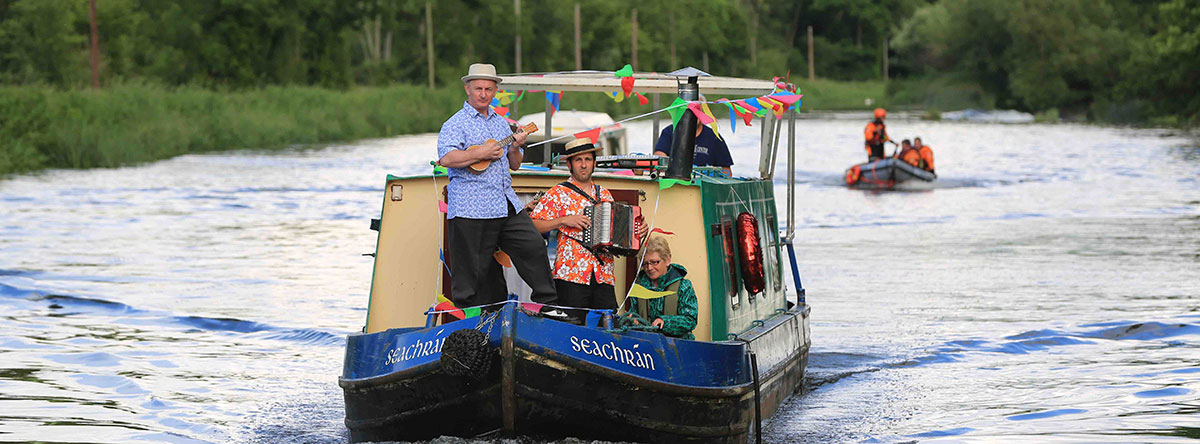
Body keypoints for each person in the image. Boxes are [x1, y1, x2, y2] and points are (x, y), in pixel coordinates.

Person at [436, 63, 566, 319]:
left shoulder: (502, 124)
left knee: (532, 246)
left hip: (504, 201)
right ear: (467, 89)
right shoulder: (454, 123)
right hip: (471, 205)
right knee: (473, 268)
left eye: (488, 89)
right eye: (478, 89)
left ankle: (548, 304)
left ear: (495, 90)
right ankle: (469, 320)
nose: (483, 94)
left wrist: (517, 146)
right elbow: (446, 158)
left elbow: (514, 164)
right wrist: (479, 153)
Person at [531, 138, 648, 321]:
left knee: (606, 328)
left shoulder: (605, 194)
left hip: (603, 275)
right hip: (571, 275)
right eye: (578, 160)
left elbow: (619, 234)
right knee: (571, 327)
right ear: (569, 164)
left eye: (588, 159)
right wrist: (563, 221)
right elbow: (533, 225)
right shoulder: (558, 193)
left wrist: (638, 230)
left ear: (594, 163)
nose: (584, 165)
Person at [628, 235, 698, 339]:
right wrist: (631, 320)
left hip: (677, 347)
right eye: (646, 264)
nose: (649, 268)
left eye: (654, 262)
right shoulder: (638, 287)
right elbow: (632, 314)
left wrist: (665, 322)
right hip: (646, 346)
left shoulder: (683, 286)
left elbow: (690, 320)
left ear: (667, 260)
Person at [653, 124, 733, 177]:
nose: (693, 115)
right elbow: (659, 156)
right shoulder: (669, 132)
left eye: (697, 111)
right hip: (675, 181)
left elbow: (727, 171)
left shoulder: (715, 137)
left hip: (704, 185)